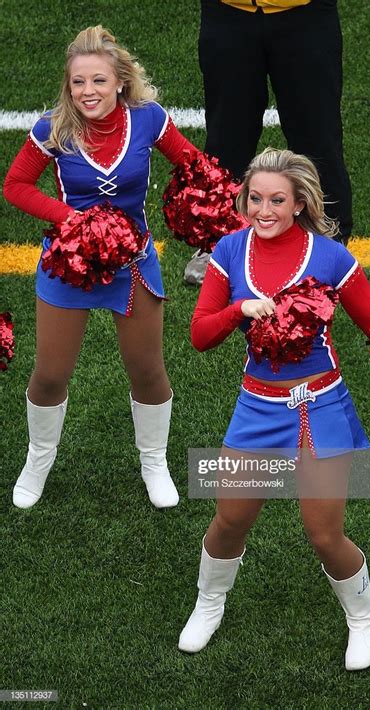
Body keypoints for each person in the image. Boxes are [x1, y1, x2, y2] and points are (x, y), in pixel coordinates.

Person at [178, 148, 370, 671]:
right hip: (258, 407)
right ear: (243, 199)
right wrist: (238, 309)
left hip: (322, 406)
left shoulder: (331, 257)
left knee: (323, 533)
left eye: (276, 200)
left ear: (298, 204)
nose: (263, 210)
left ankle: (363, 619)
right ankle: (209, 602)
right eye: (255, 198)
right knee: (229, 521)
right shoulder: (229, 251)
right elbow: (200, 335)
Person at [3, 26, 200, 510]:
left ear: (119, 82)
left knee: (148, 371)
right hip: (68, 264)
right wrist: (72, 219)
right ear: (68, 86)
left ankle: (154, 461)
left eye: (98, 81)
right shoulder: (53, 128)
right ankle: (39, 458)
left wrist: (190, 208)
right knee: (49, 375)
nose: (87, 92)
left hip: (132, 265)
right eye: (78, 83)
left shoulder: (150, 120)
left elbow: (194, 167)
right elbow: (16, 185)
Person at [198, 0, 352, 244]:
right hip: (227, 13)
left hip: (306, 15)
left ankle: (329, 239)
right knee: (225, 138)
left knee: (317, 136)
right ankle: (217, 241)